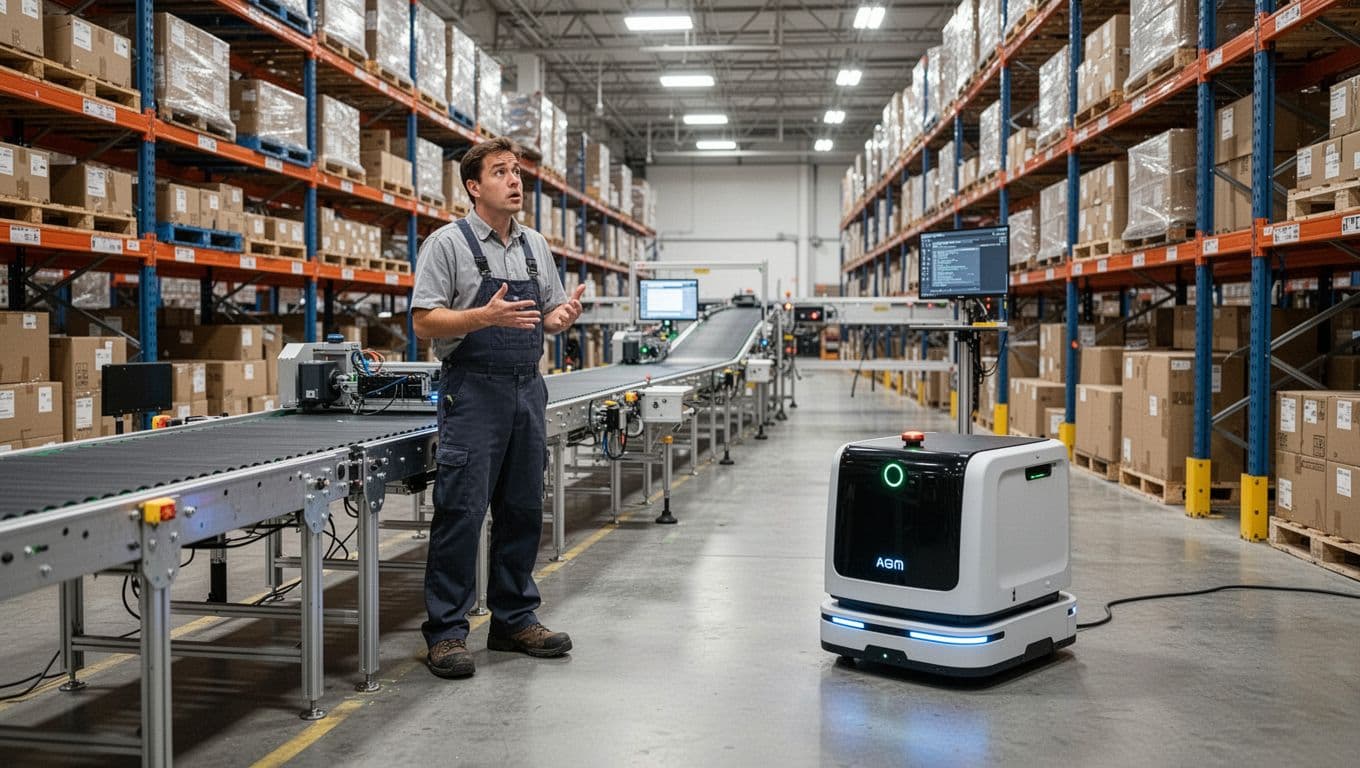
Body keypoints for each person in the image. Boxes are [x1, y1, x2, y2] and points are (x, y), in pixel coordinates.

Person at [410, 136, 587, 679]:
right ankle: (447, 633)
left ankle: (513, 619)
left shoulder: (535, 245)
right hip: (474, 391)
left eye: (518, 172)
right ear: (473, 186)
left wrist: (561, 318)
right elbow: (423, 321)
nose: (516, 181)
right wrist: (481, 318)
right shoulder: (448, 244)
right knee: (462, 512)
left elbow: (550, 309)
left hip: (526, 389)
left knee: (523, 508)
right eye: (502, 172)